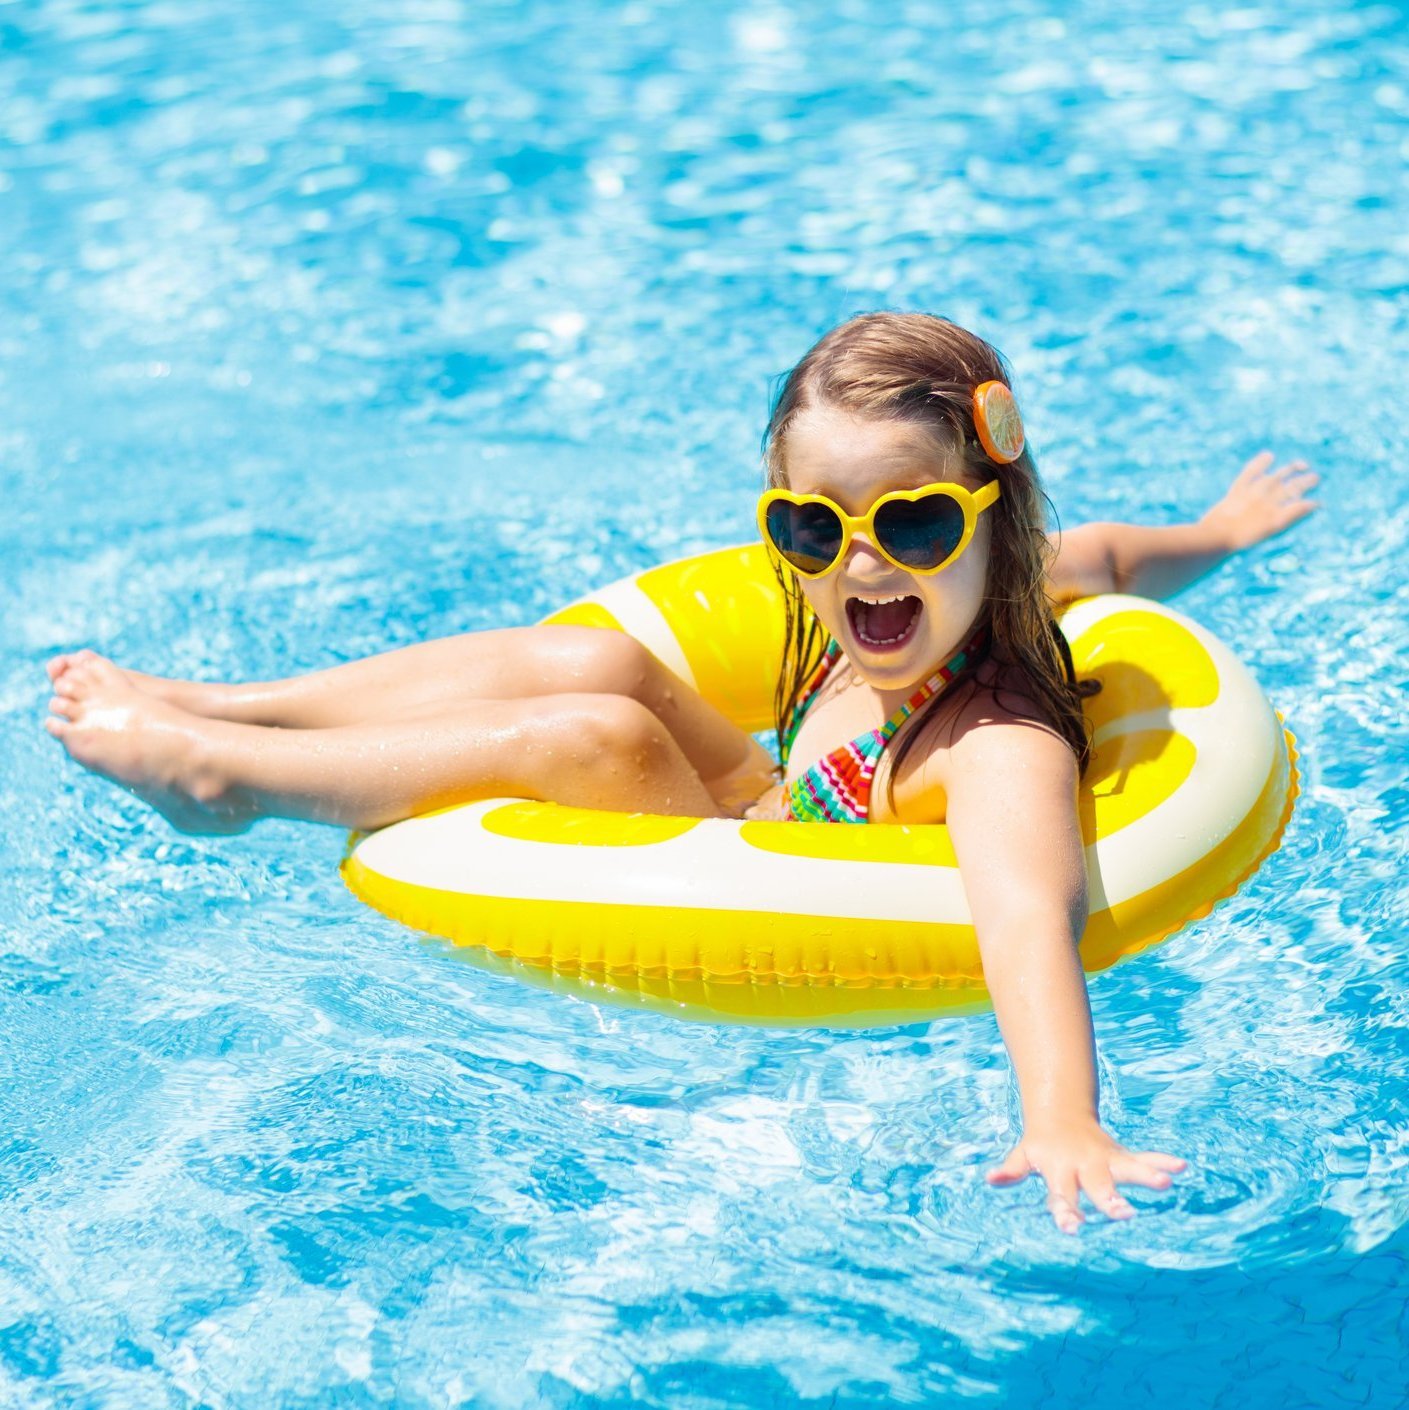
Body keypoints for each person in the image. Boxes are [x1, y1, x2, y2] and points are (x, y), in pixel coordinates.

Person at [44, 312, 1317, 1232]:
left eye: (914, 523)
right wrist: (1211, 533)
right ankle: (216, 705)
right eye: (814, 528)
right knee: (598, 658)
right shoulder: (865, 613)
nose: (865, 565)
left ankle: (234, 782)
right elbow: (1109, 556)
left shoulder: (993, 742)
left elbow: (1026, 920)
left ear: (993, 513)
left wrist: (1063, 1120)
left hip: (782, 870)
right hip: (767, 805)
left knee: (599, 741)